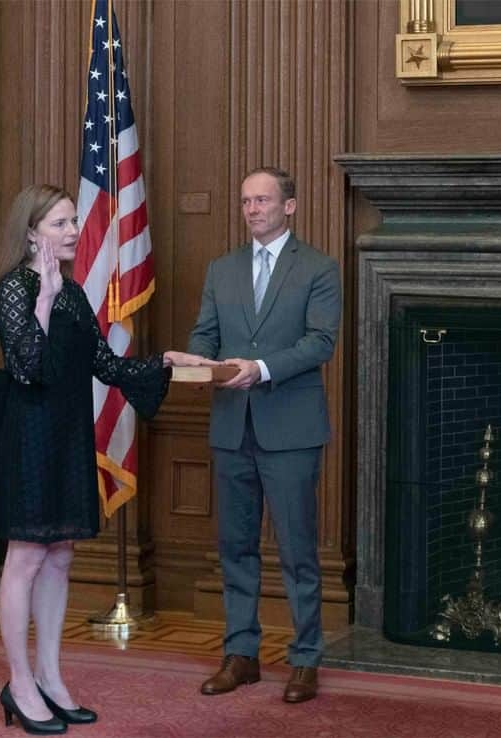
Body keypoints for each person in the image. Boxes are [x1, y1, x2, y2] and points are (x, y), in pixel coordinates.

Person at [0, 184, 212, 734]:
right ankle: (19, 683)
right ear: (31, 233)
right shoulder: (16, 289)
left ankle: (50, 676)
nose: (72, 231)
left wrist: (164, 362)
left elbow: (105, 364)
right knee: (25, 555)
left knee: (61, 554)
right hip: (30, 437)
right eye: (60, 223)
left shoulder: (73, 293)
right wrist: (42, 296)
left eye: (72, 221)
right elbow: (26, 367)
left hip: (68, 433)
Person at [187, 166, 341, 704]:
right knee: (235, 548)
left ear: (289, 207)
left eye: (263, 200)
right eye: (246, 201)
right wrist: (194, 361)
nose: (253, 209)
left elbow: (321, 342)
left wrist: (261, 367)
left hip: (291, 430)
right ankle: (241, 655)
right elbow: (205, 335)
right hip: (232, 427)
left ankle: (304, 659)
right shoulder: (221, 269)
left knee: (298, 551)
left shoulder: (319, 268)